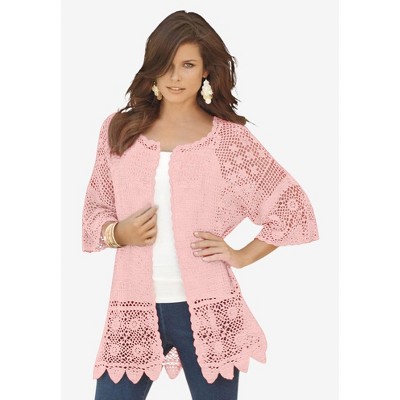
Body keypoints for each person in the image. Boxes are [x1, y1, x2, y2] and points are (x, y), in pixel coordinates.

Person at [82, 9, 319, 400]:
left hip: (209, 311)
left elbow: (292, 207)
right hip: (132, 308)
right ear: (152, 67)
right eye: (166, 64)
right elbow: (95, 209)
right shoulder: (119, 130)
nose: (175, 77)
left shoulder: (229, 140)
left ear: (206, 69)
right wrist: (118, 233)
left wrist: (241, 255)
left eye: (188, 65)